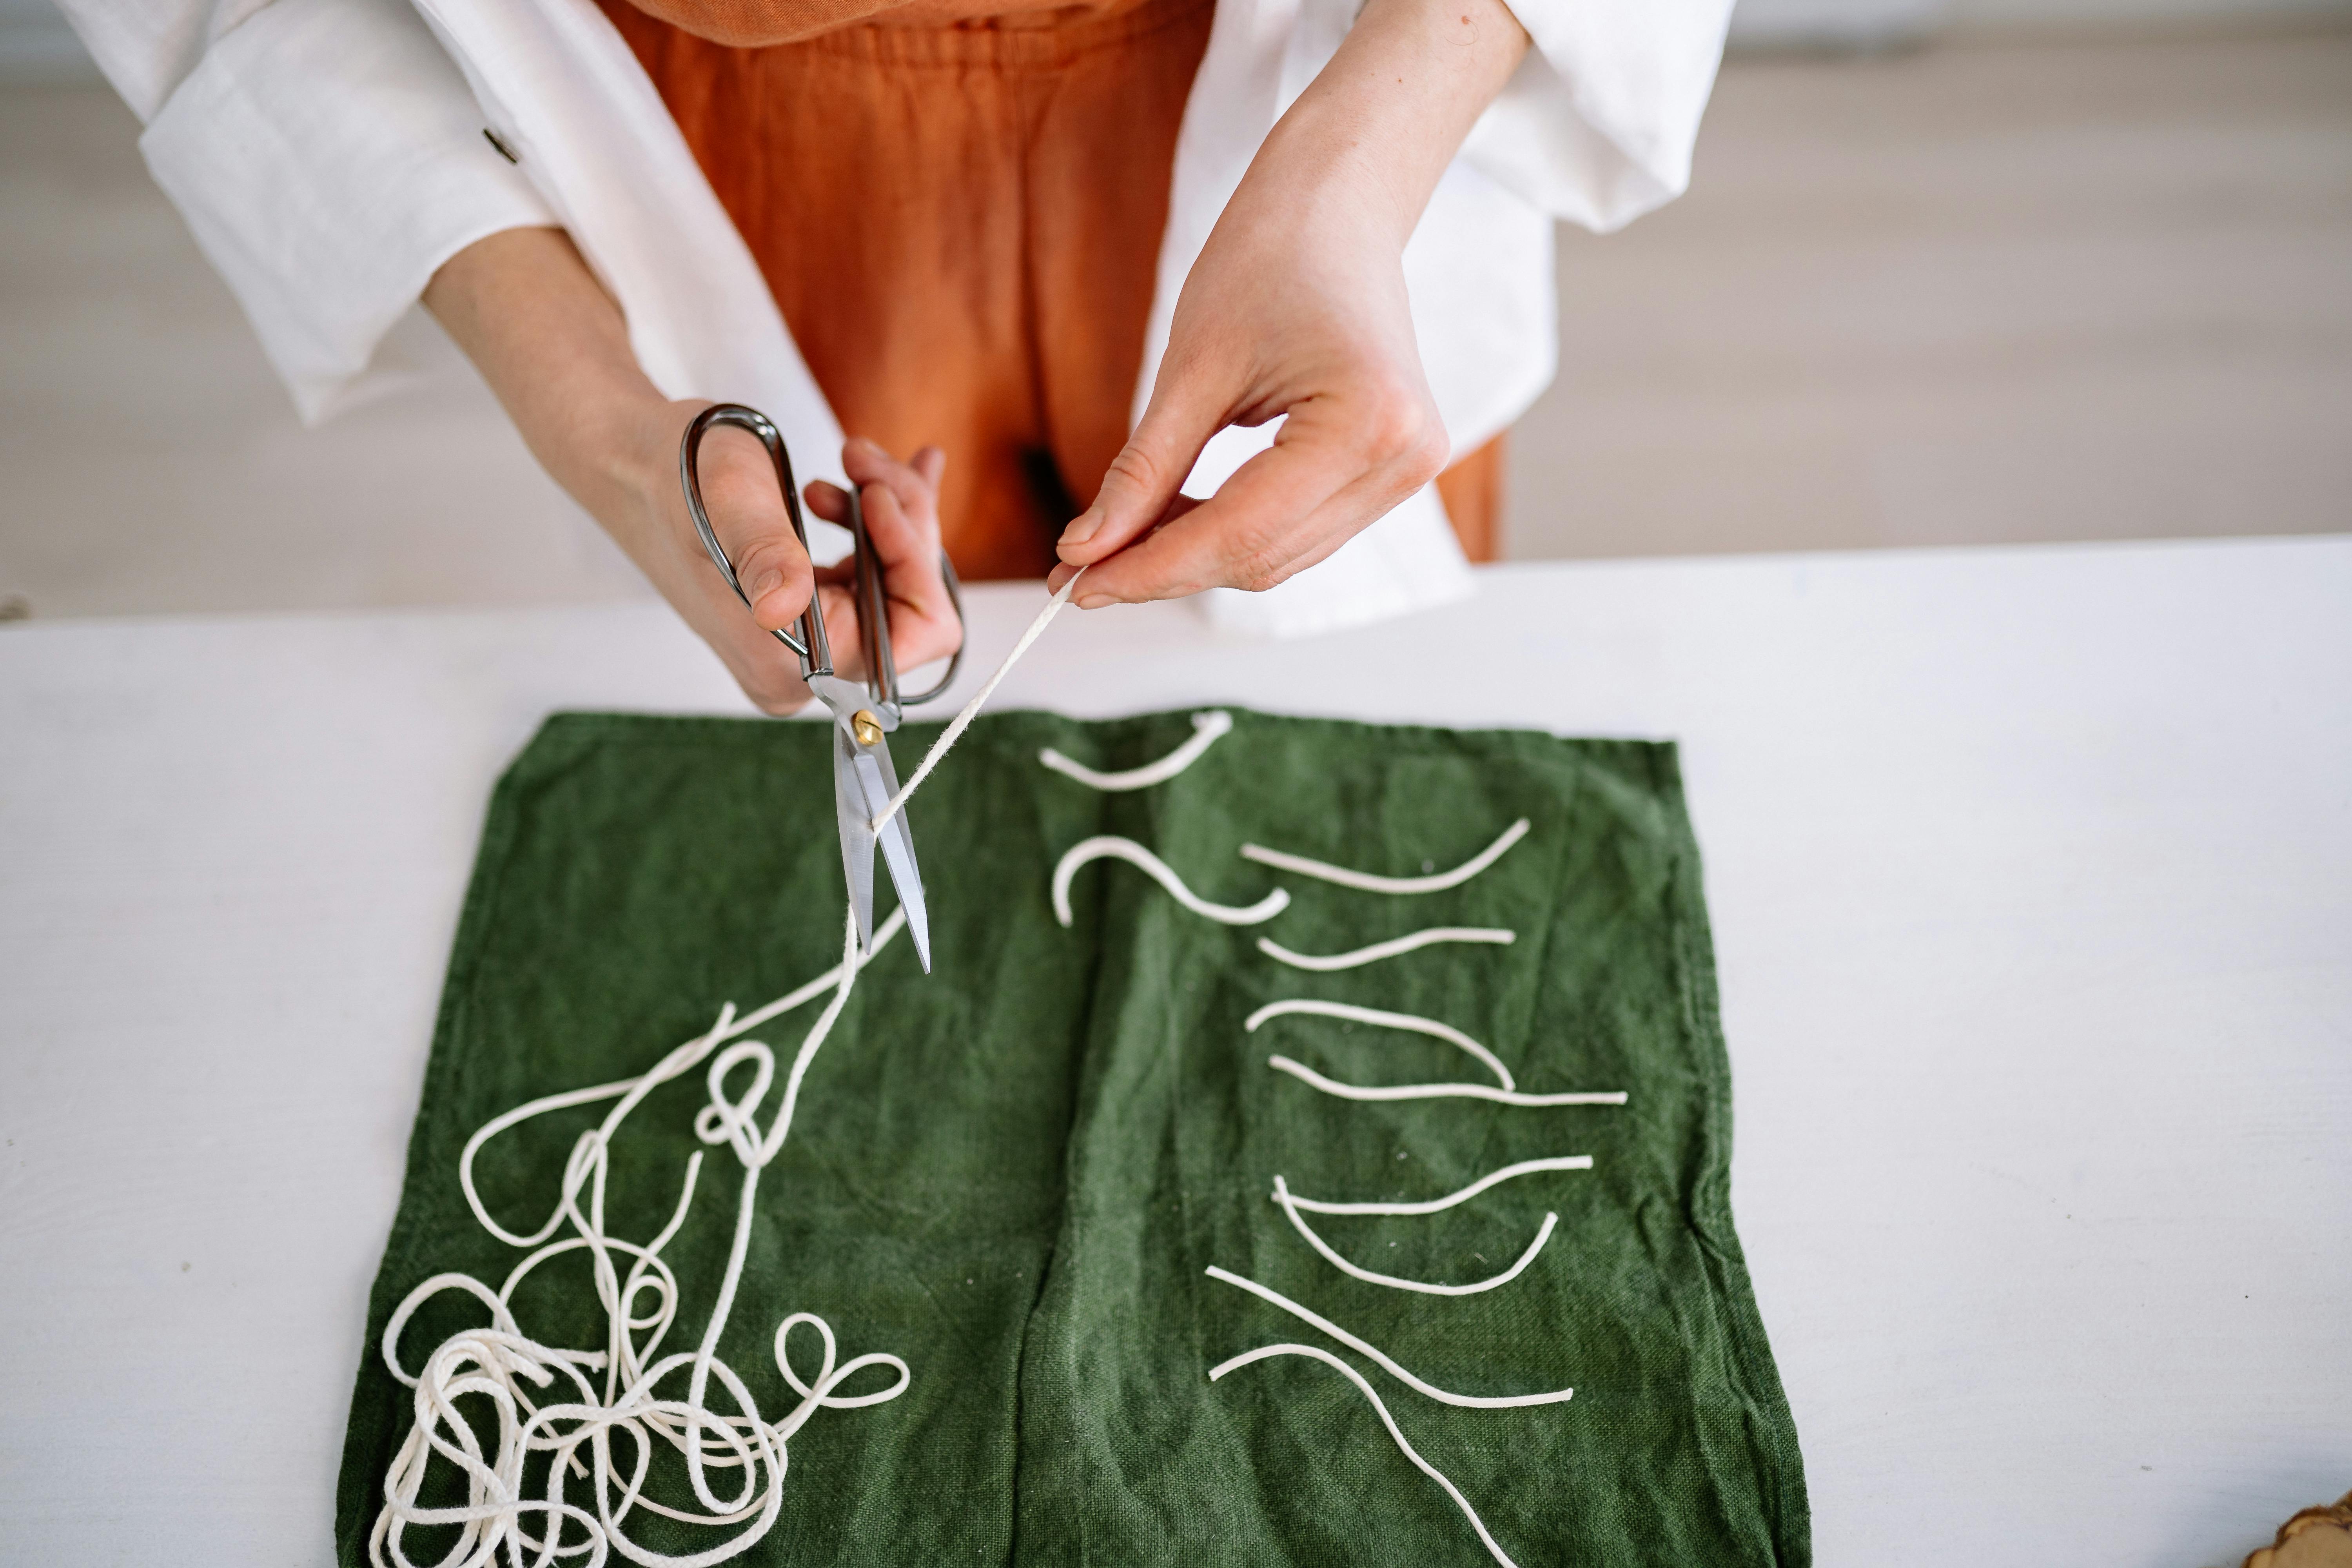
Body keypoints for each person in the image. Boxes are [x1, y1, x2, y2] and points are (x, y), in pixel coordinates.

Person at [64, 0, 1730, 713]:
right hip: (718, 149)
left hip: (1307, 87)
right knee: (821, 632)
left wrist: (1374, 149)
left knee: (1329, 683)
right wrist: (610, 424)